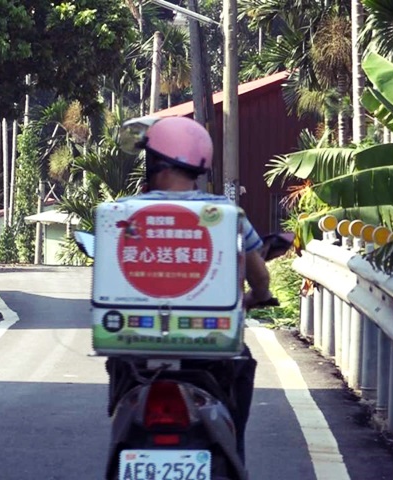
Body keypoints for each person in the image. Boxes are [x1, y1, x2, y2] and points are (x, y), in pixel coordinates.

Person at [106, 115, 274, 463]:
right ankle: (234, 458)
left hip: (136, 347)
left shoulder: (121, 214)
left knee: (118, 366)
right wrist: (255, 297)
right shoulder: (227, 214)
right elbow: (260, 278)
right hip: (210, 348)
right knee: (240, 367)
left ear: (153, 162)